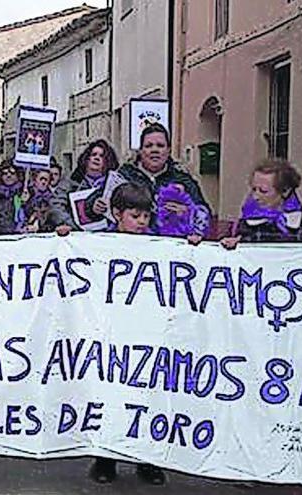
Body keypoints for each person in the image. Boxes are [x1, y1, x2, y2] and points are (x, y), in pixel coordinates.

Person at [83, 183, 167, 486]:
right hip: (111, 332)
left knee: (148, 396)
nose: (142, 222)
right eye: (135, 215)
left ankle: (148, 460)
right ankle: (105, 459)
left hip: (146, 332)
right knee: (111, 395)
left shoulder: (160, 246)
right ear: (117, 214)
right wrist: (65, 240)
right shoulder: (99, 243)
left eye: (146, 215)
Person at [220, 158, 302, 253]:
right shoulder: (240, 227)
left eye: (263, 191)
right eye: (254, 189)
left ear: (285, 191)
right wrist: (227, 248)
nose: (255, 196)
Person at [119, 123, 211, 240]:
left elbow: (204, 216)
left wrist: (188, 213)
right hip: (129, 244)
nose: (154, 150)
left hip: (171, 246)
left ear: (168, 150)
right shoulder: (124, 176)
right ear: (140, 151)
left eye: (160, 145)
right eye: (149, 146)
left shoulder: (184, 180)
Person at [51, 139, 122, 235]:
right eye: (93, 155)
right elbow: (56, 206)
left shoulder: (116, 185)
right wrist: (74, 227)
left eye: (102, 156)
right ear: (86, 159)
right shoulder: (71, 183)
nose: (97, 158)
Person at [0, 161, 26, 235]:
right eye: (5, 173)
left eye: (12, 173)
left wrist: (26, 202)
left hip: (18, 235)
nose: (8, 176)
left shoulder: (24, 193)